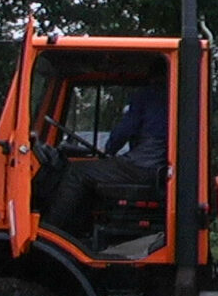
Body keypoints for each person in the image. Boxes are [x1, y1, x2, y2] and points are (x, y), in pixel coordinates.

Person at [42, 66, 169, 235]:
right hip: (157, 168)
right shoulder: (172, 98)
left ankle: (49, 231)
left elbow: (124, 131)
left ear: (152, 77)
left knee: (77, 172)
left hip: (142, 167)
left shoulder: (147, 95)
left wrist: (109, 150)